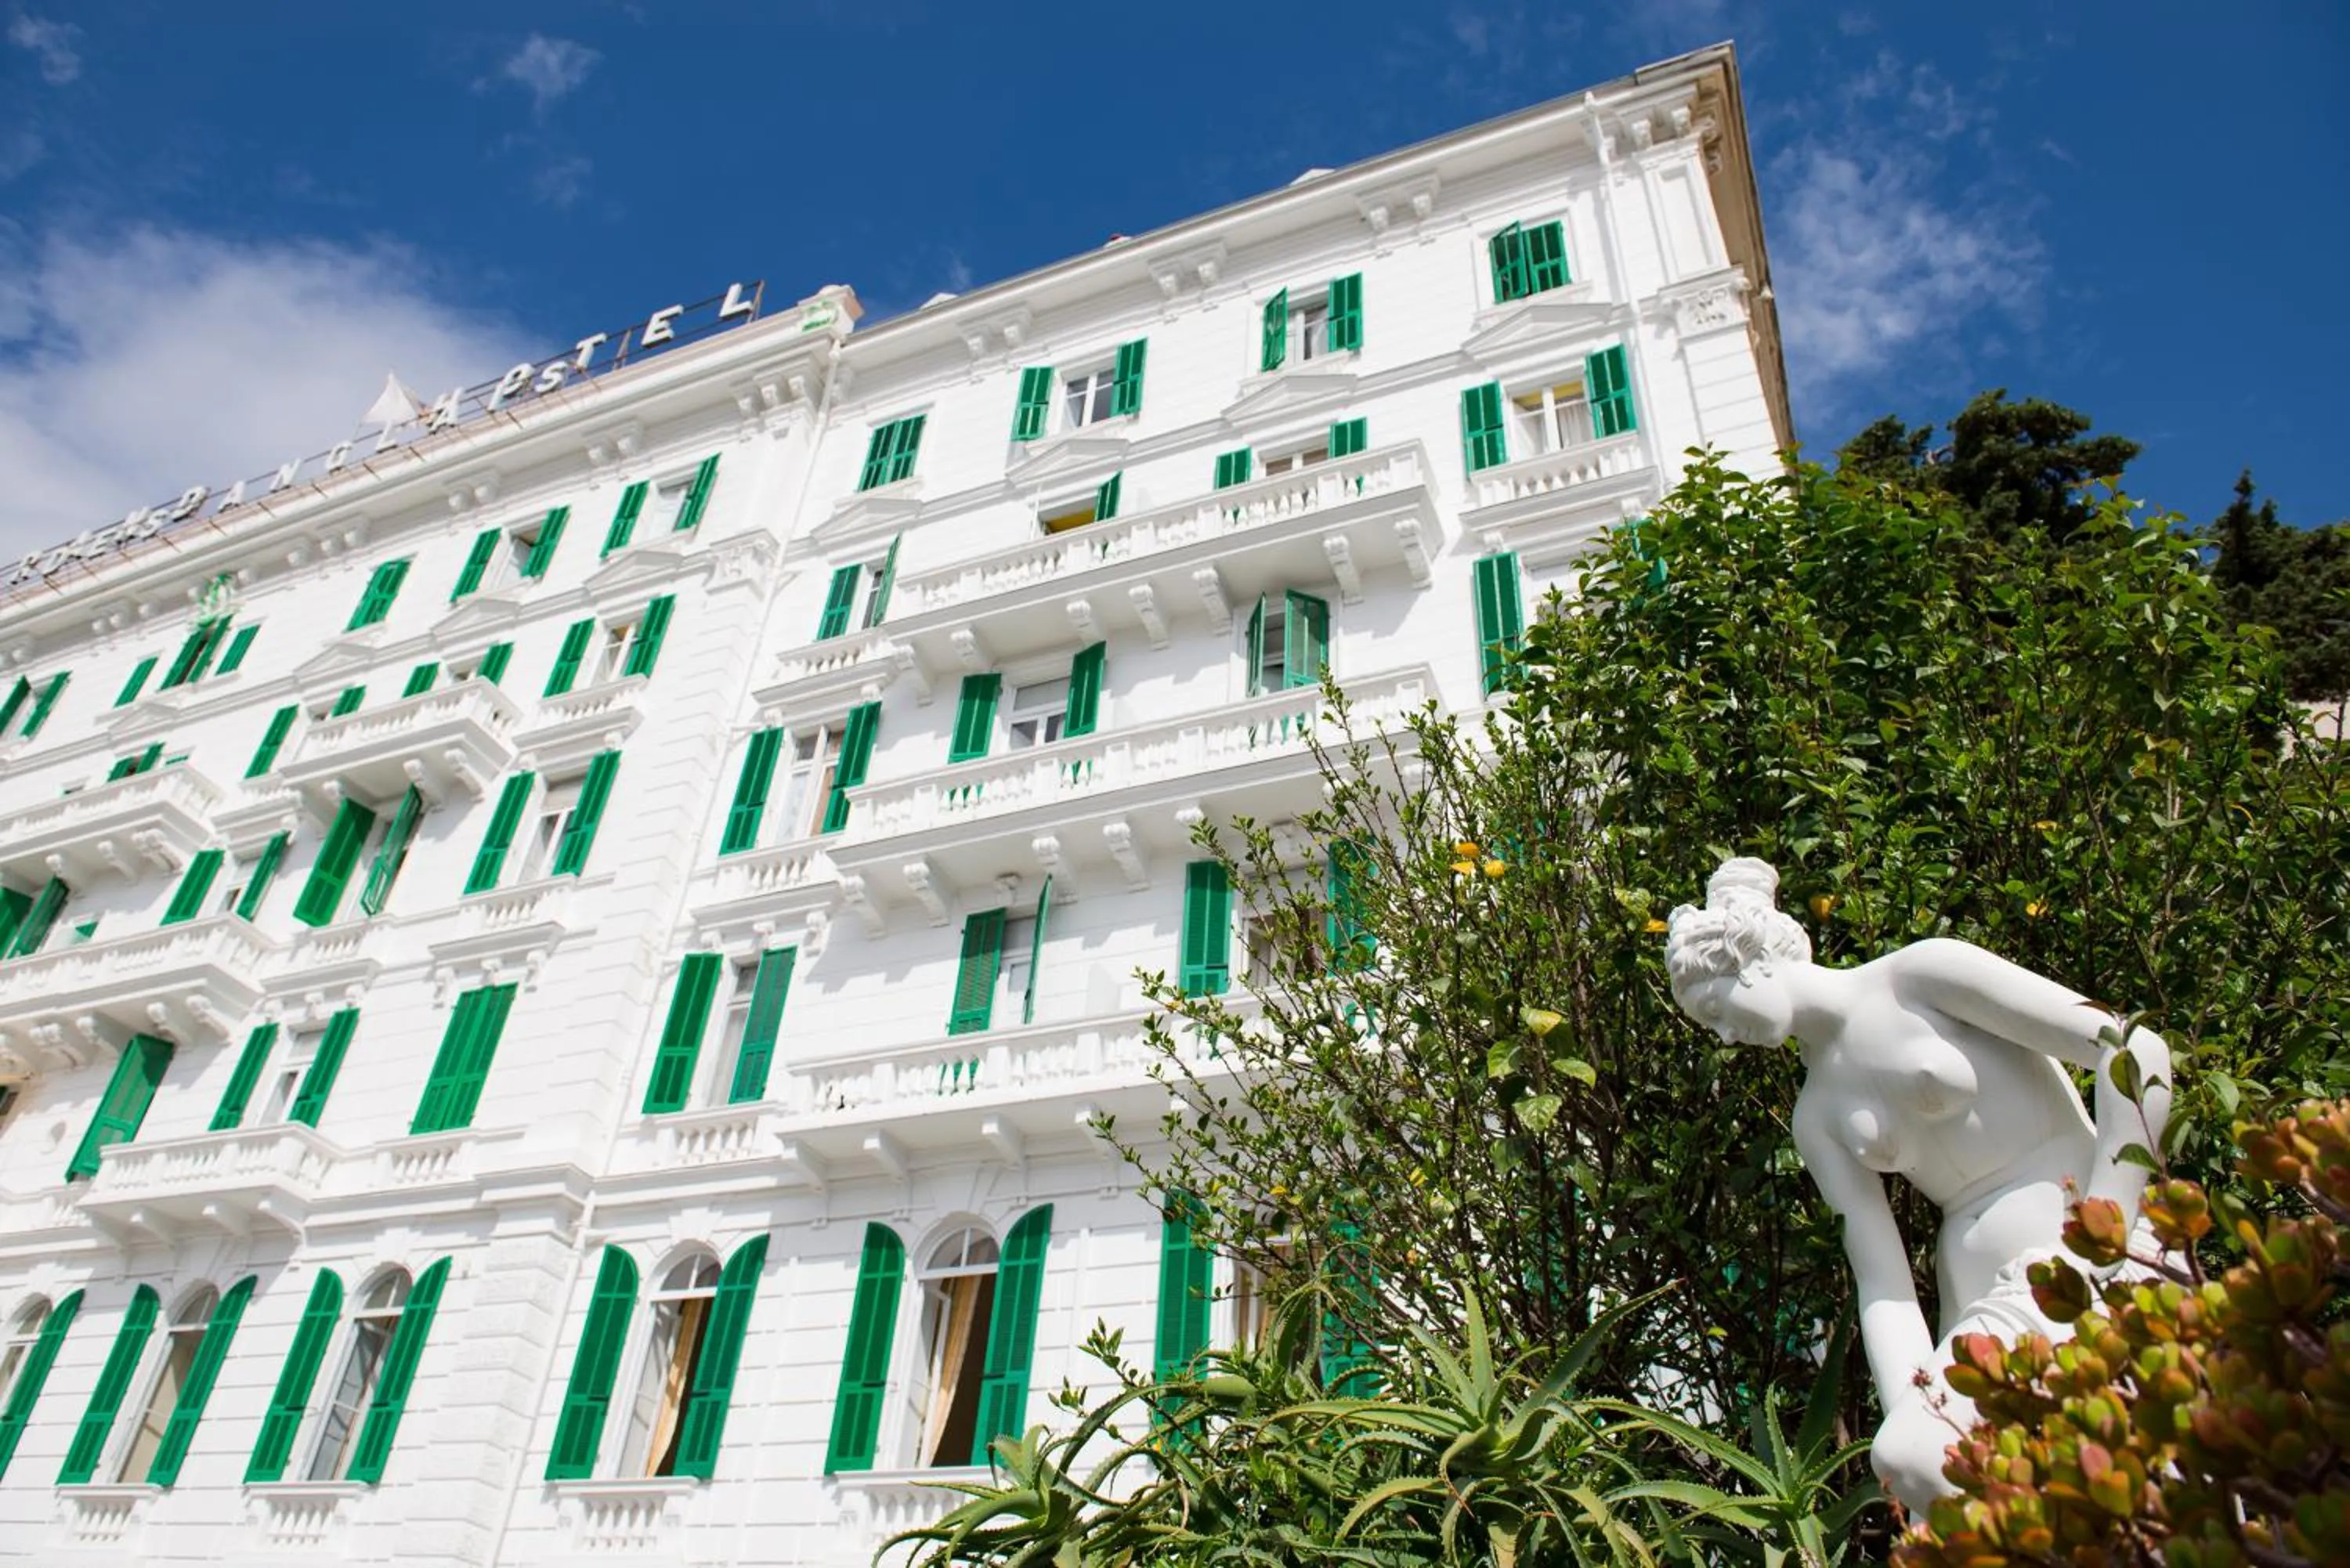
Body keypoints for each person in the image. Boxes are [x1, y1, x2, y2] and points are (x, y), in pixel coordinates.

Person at [1664, 858, 2171, 1511]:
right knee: (1962, 1482)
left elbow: (2131, 1048)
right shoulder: (1815, 1119)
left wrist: (2107, 1226)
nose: (1726, 1035)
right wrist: (1917, 1404)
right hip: (1980, 1302)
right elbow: (1885, 1284)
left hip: (2077, 1250)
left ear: (1750, 960)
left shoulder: (1920, 976)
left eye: (1714, 1009)